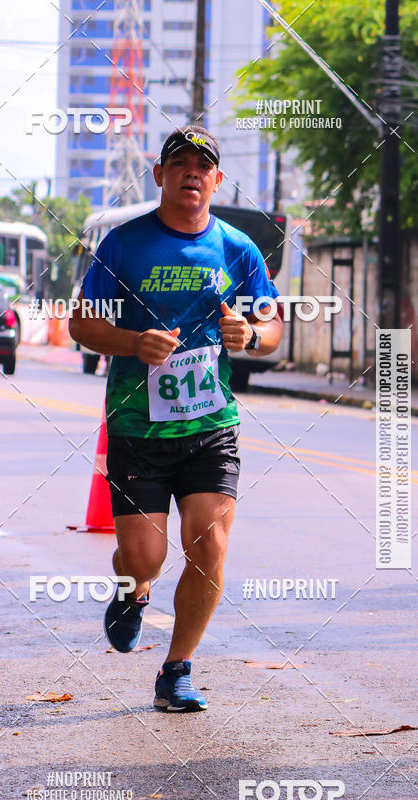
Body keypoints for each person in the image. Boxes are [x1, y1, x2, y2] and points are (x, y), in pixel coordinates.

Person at [69, 124, 283, 712]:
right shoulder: (123, 245)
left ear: (216, 180)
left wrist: (252, 335)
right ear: (160, 176)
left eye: (202, 165)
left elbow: (272, 330)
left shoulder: (238, 249)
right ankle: (132, 591)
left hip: (209, 424)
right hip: (138, 425)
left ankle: (176, 669)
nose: (191, 172)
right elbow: (82, 325)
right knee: (145, 559)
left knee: (209, 548)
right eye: (179, 163)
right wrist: (134, 343)